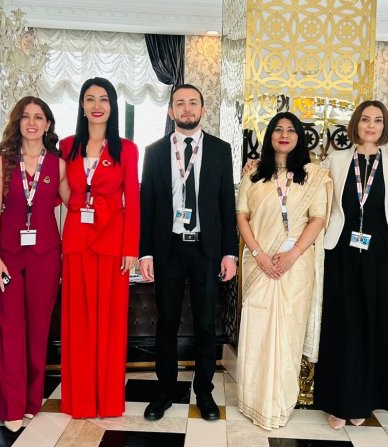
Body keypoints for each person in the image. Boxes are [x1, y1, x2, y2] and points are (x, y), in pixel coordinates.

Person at [139, 84, 238, 422]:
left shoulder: (220, 150)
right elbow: (147, 205)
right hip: (168, 248)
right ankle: (165, 391)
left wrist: (229, 253)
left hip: (206, 250)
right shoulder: (154, 151)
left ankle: (205, 393)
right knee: (166, 323)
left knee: (206, 325)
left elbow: (226, 204)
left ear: (202, 109)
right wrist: (145, 253)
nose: (186, 108)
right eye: (180, 103)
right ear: (171, 111)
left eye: (193, 102)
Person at [312, 100, 388, 429]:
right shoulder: (337, 159)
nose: (371, 125)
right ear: (356, 124)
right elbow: (315, 195)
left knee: (373, 324)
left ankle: (364, 402)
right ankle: (339, 403)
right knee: (343, 325)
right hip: (340, 250)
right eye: (365, 119)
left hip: (380, 253)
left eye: (377, 120)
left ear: (385, 126)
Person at [236, 112, 332, 430]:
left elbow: (318, 219)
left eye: (291, 130)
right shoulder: (253, 174)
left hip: (296, 265)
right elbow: (242, 217)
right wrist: (258, 254)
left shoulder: (314, 175)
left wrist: (293, 254)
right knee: (257, 332)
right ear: (270, 136)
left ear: (299, 137)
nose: (284, 134)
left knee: (288, 335)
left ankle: (279, 403)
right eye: (278, 129)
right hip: (259, 263)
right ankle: (253, 401)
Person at [0, 96, 68, 432]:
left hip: (46, 256)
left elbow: (77, 203)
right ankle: (11, 405)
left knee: (38, 330)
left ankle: (32, 401)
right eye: (26, 116)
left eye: (38, 117)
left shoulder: (59, 164)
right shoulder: (2, 163)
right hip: (7, 255)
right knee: (9, 329)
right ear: (17, 122)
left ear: (47, 124)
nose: (32, 122)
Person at [59, 77, 140, 419]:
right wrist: (79, 205)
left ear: (112, 106)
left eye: (103, 99)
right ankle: (79, 400)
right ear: (81, 105)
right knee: (77, 322)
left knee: (111, 323)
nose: (96, 105)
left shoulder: (127, 149)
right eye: (90, 98)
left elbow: (132, 200)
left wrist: (131, 248)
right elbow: (62, 190)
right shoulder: (67, 146)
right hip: (77, 239)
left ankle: (107, 400)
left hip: (113, 241)